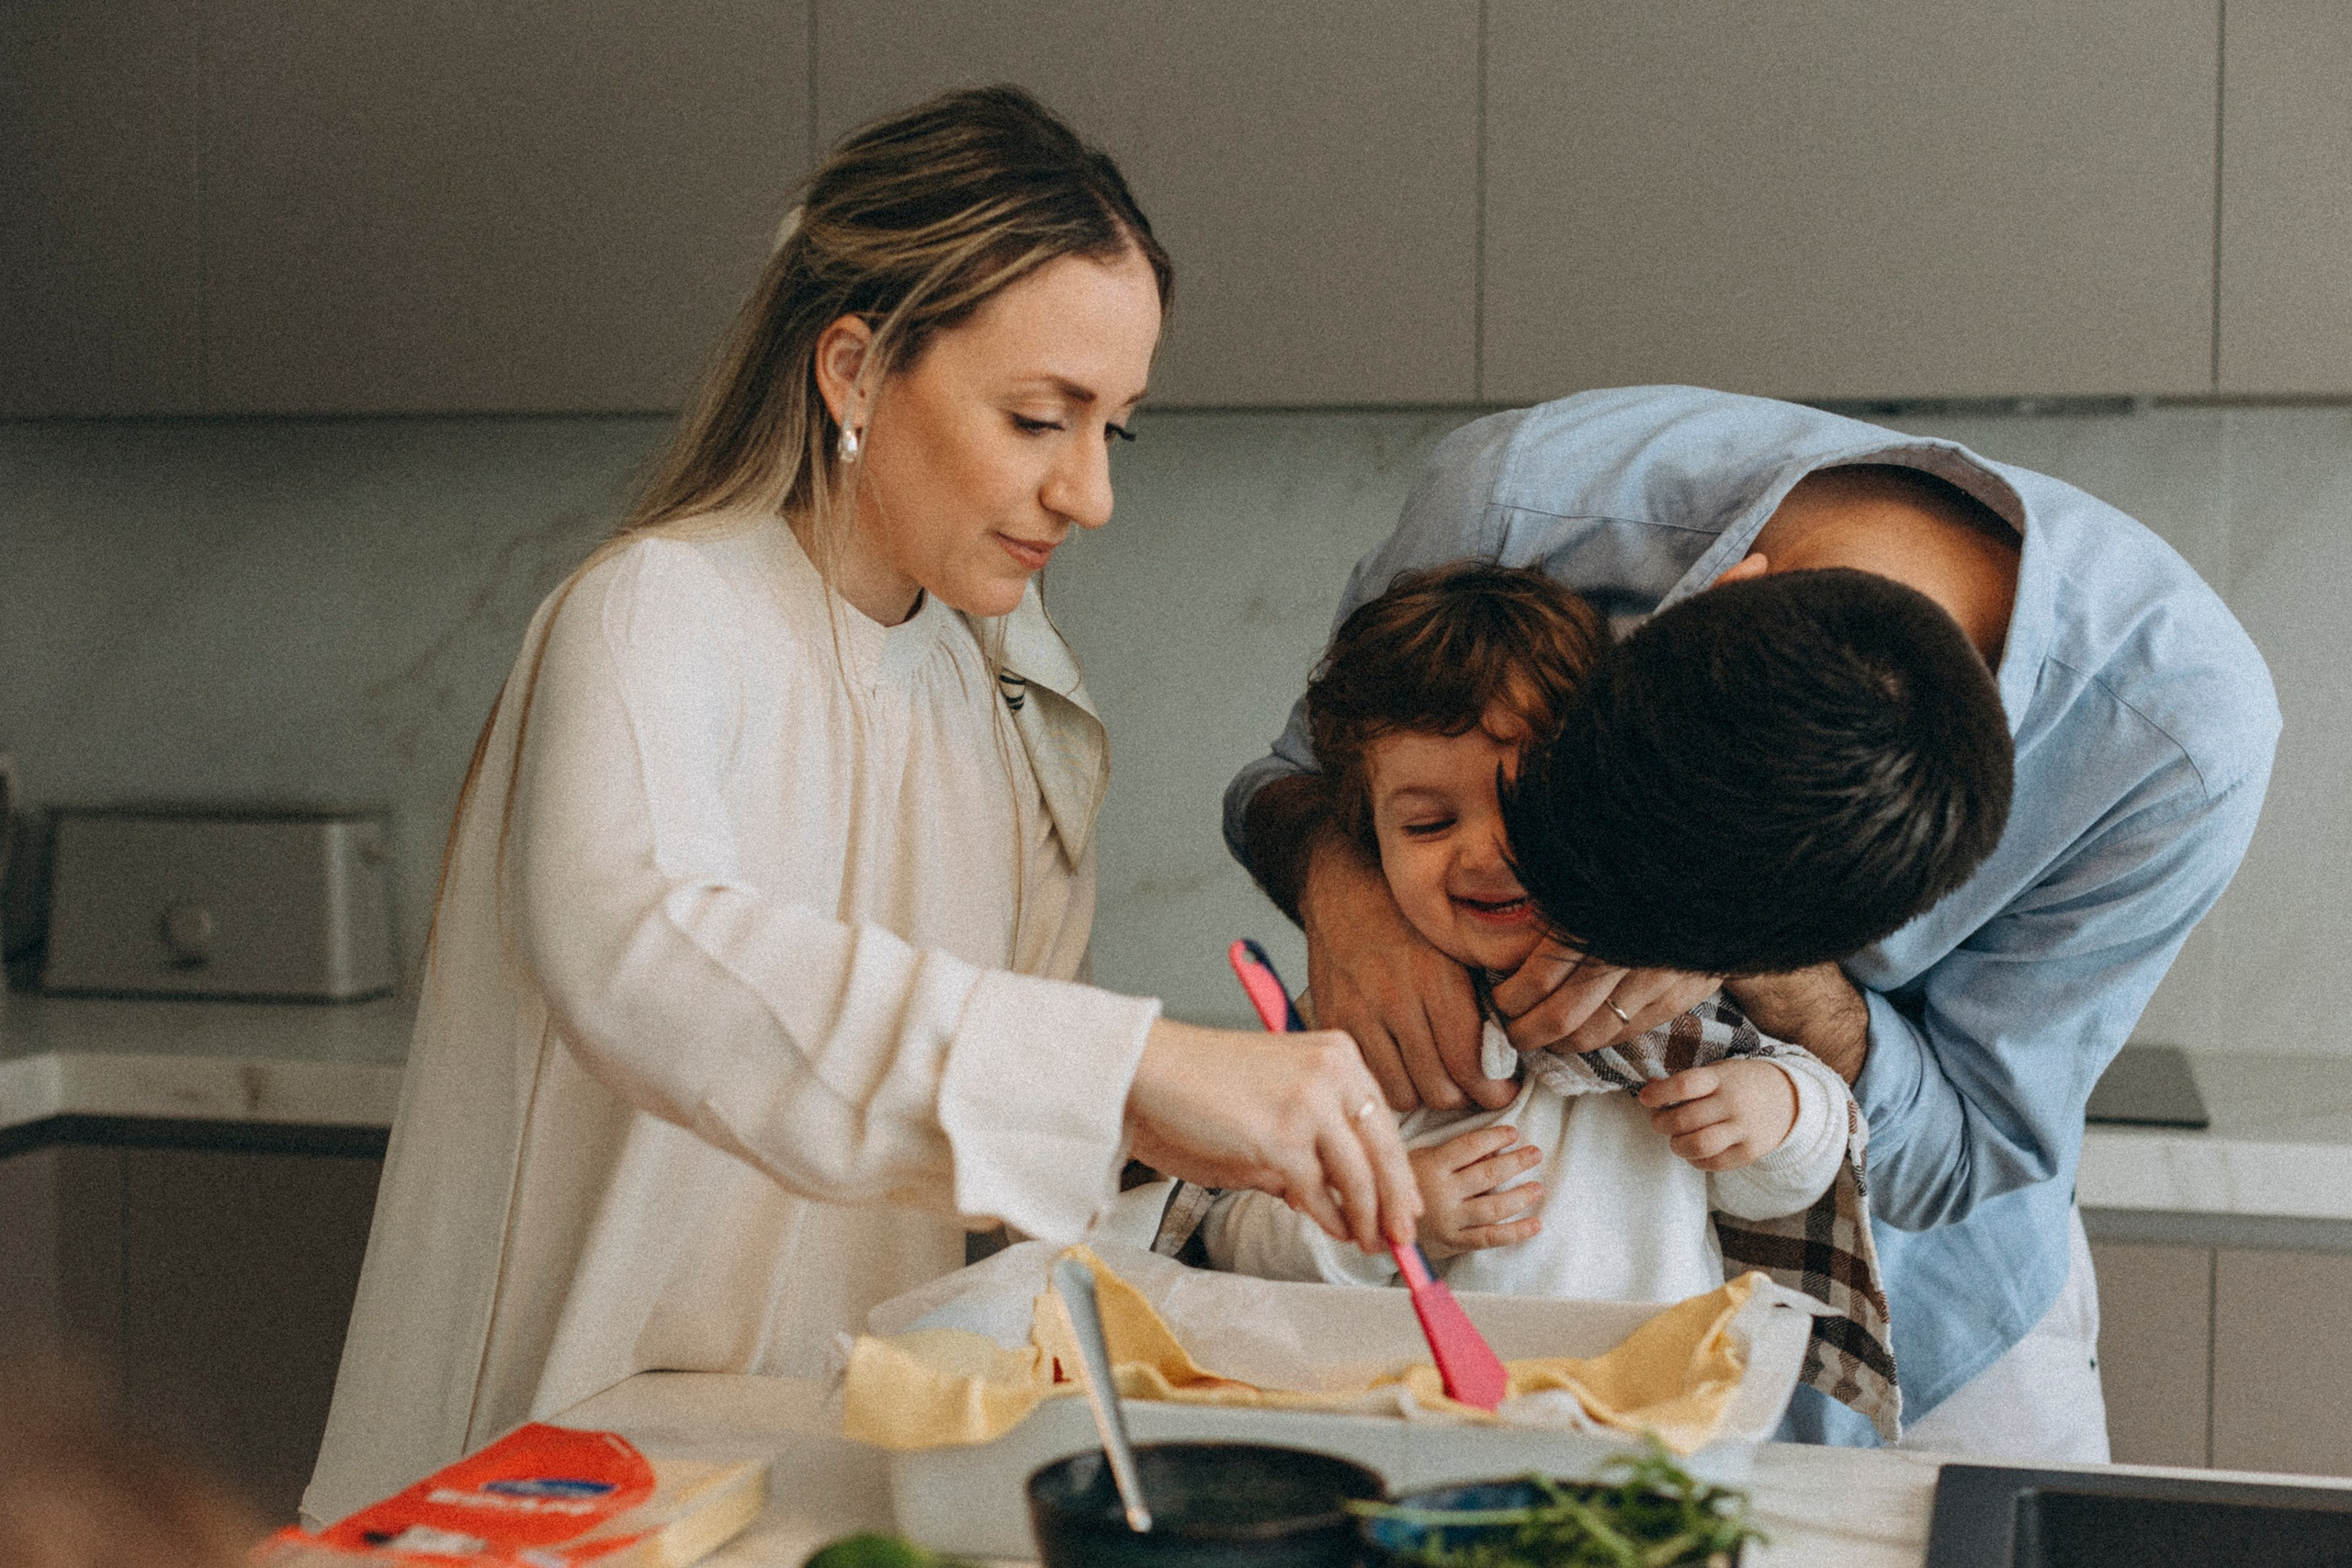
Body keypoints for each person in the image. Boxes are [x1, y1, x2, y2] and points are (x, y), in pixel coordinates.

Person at [304, 87, 1418, 1527]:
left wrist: (1243, 1177)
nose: (1088, 491)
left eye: (1114, 431)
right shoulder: (657, 613)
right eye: (1038, 416)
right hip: (550, 1478)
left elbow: (982, 1151)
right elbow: (641, 953)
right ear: (852, 369)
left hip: (832, 1474)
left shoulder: (1011, 701)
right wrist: (1133, 1065)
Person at [1226, 386, 2278, 1459]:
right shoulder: (1516, 500)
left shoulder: (2173, 749)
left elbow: (1961, 1155)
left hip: (1926, 1320)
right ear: (1703, 605)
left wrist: (1790, 1008)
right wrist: (1342, 884)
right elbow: (1300, 776)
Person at [1198, 563, 1894, 1434]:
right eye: (1426, 823)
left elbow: (1793, 1180)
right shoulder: (1361, 1027)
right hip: (1418, 1435)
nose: (1487, 853)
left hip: (1651, 1420)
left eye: (1526, 807)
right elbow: (1234, 1239)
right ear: (1364, 838)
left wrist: (1776, 1109)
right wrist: (1382, 1216)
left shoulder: (1667, 999)